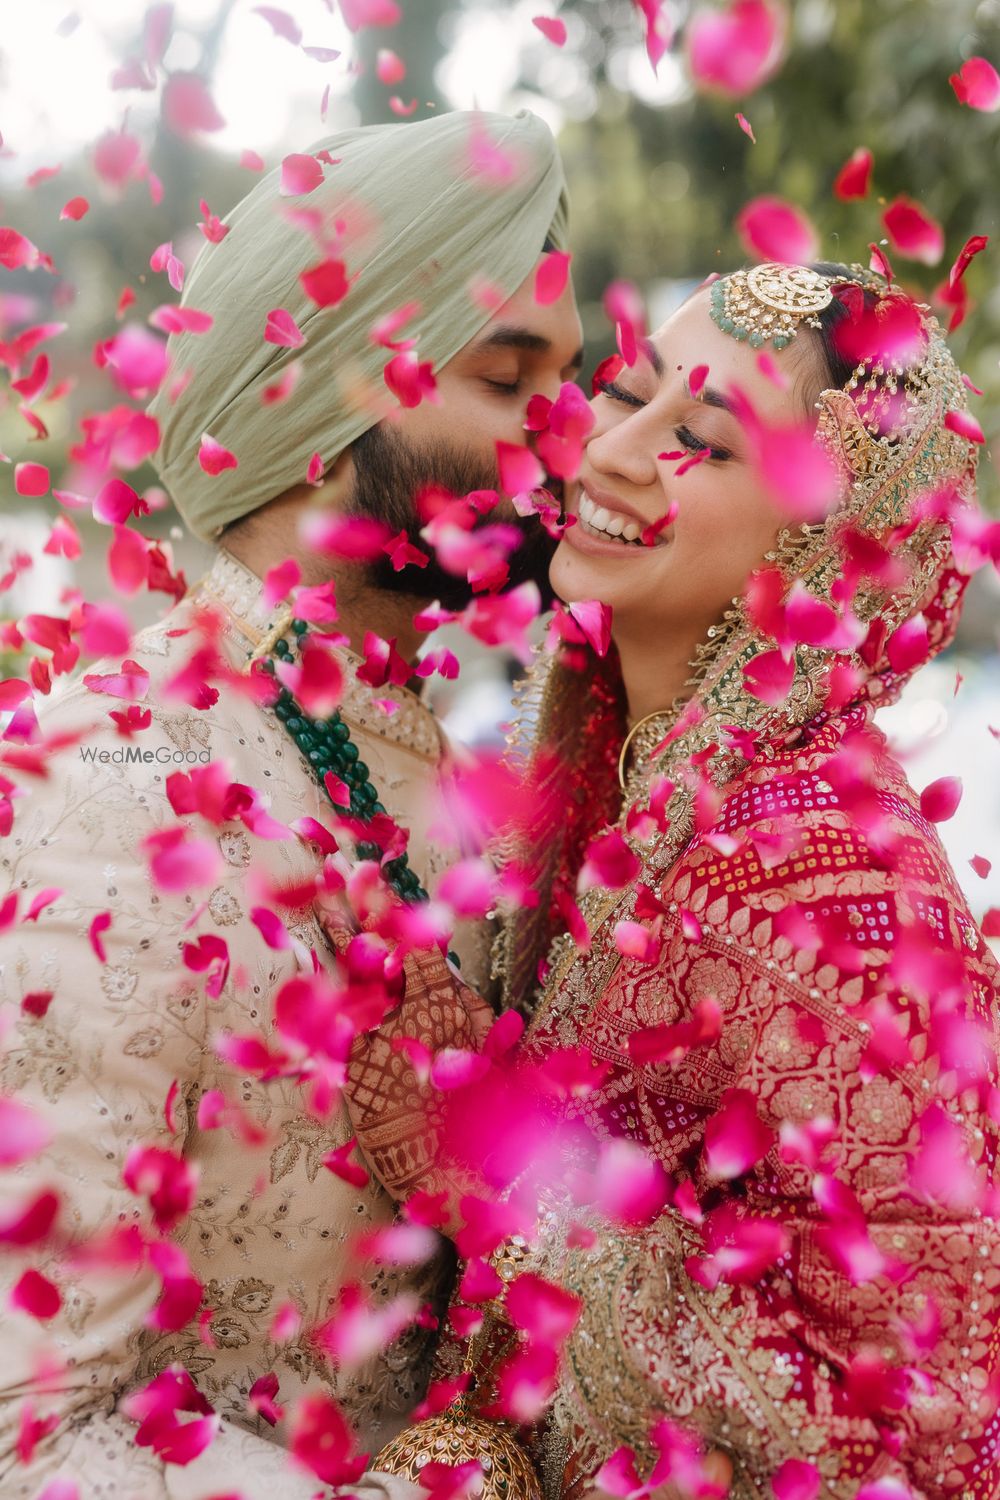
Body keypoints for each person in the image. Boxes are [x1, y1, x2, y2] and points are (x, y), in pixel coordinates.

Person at [0, 108, 582, 1497]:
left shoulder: (437, 769)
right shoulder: (107, 782)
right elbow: (34, 1425)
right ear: (324, 399)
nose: (567, 432)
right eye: (510, 380)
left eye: (568, 380)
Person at [376, 262, 999, 1499]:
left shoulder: (828, 874)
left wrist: (481, 1170)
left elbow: (907, 1424)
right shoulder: (621, 767)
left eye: (702, 442)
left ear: (826, 545)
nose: (612, 452)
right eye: (628, 395)